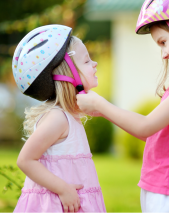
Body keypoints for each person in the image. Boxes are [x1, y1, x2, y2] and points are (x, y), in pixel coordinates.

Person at [77, 0, 169, 212]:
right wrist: (101, 110)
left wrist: (99, 102)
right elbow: (155, 130)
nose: (163, 53)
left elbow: (145, 127)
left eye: (163, 42)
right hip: (163, 188)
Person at [12, 24, 106, 212]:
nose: (94, 64)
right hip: (55, 205)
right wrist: (63, 189)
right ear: (67, 73)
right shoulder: (58, 118)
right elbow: (25, 159)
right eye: (87, 61)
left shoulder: (70, 117)